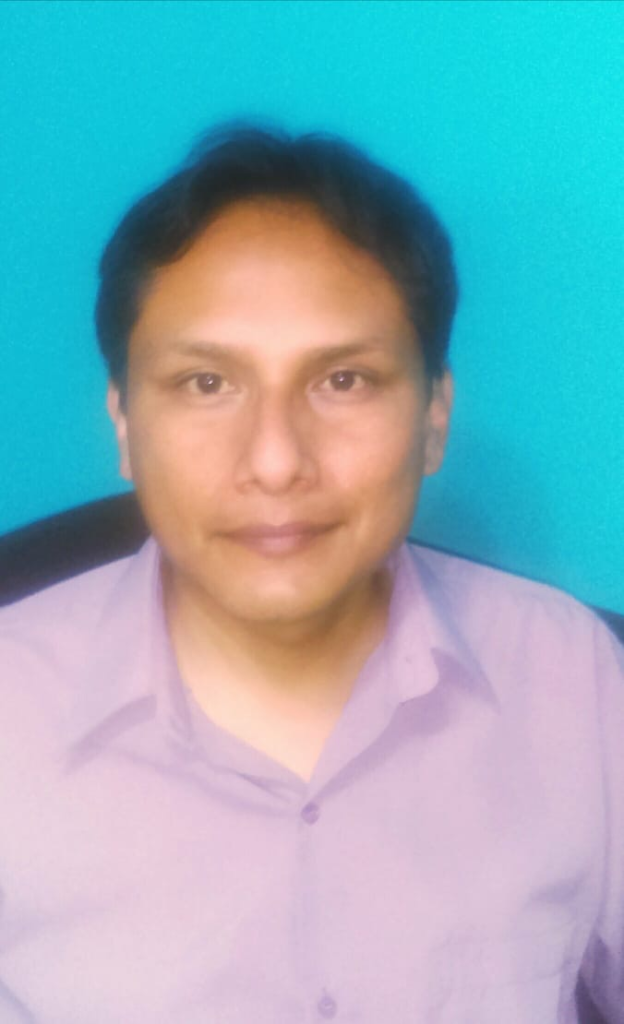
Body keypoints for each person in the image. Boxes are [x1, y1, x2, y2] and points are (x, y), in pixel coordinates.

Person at [0, 123, 622, 1024]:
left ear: (435, 417)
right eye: (206, 383)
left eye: (344, 381)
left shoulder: (573, 674)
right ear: (125, 425)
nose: (277, 461)